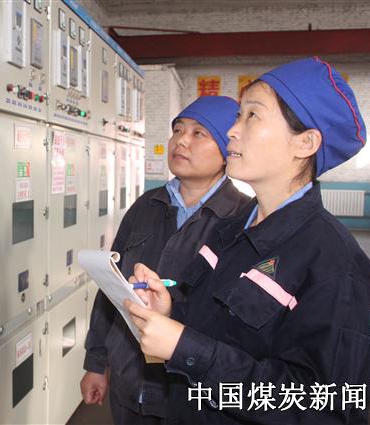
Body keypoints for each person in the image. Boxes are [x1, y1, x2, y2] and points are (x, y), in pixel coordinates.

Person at [126, 57, 370, 424]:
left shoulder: (335, 265)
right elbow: (217, 326)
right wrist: (170, 313)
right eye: (238, 116)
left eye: (252, 116)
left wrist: (189, 349)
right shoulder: (230, 231)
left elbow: (322, 409)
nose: (232, 130)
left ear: (305, 143)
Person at [81, 96, 251, 424]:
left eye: (199, 133)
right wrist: (96, 363)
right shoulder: (146, 206)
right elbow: (111, 289)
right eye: (178, 130)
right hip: (128, 385)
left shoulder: (243, 218)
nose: (181, 141)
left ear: (226, 151)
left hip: (193, 399)